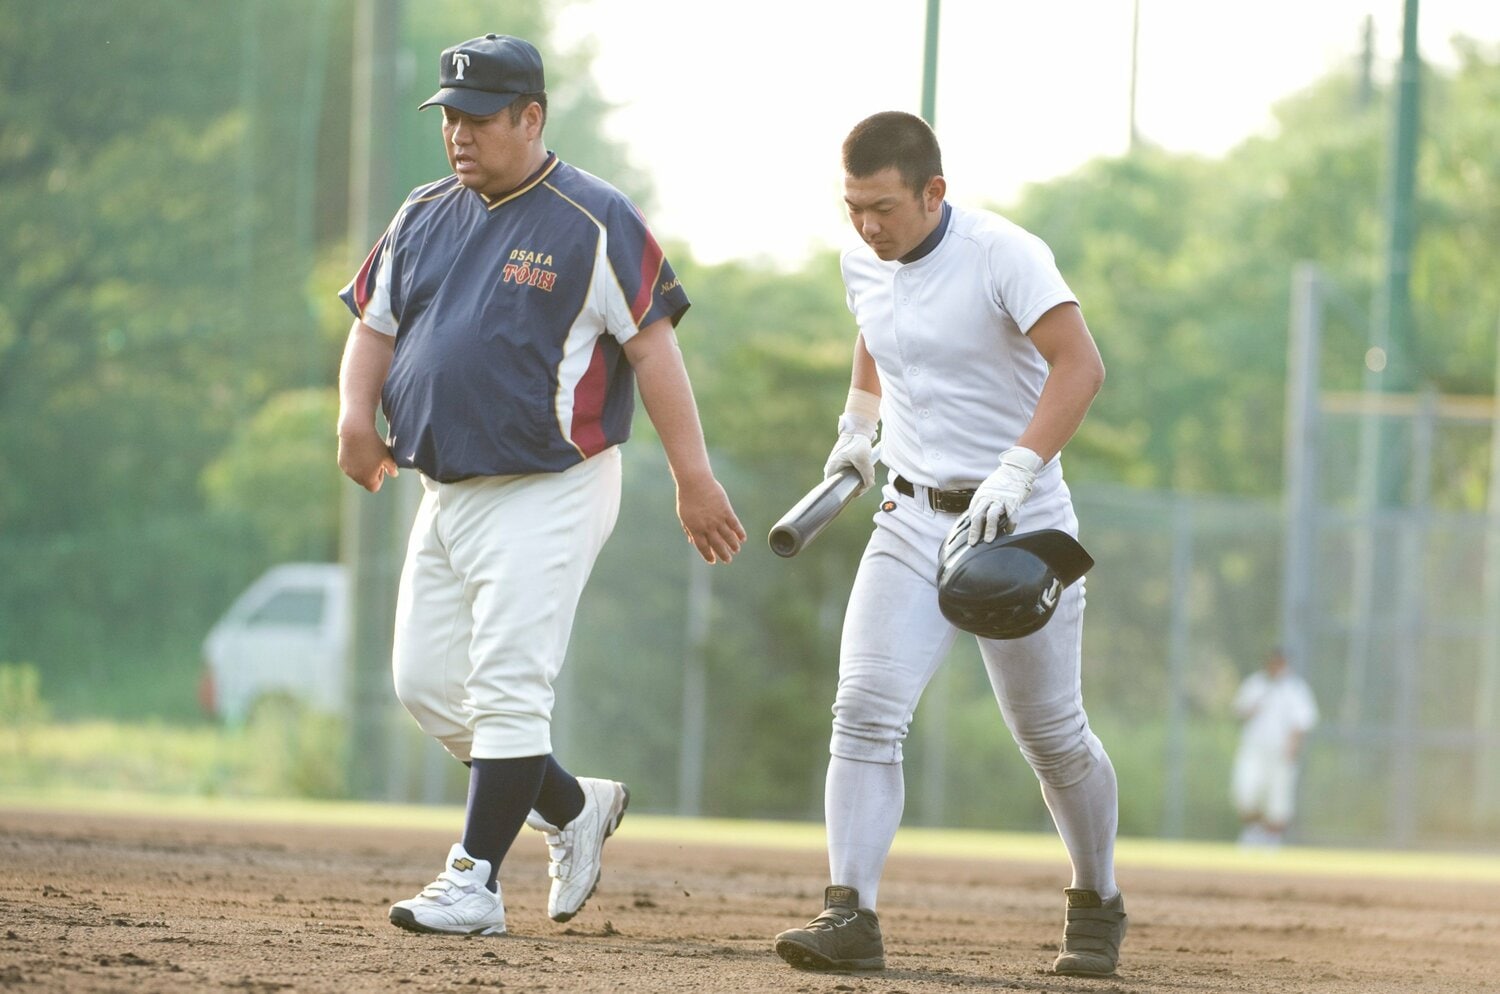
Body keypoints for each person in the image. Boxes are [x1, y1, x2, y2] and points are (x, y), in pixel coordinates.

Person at [335, 33, 744, 937]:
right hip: (445, 488)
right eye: (450, 117)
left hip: (552, 484)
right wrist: (355, 417)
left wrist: (694, 478)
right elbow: (374, 323)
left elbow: (653, 346)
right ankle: (570, 807)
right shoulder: (423, 212)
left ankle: (474, 882)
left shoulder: (592, 218)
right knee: (428, 685)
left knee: (510, 680)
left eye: (480, 118)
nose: (460, 135)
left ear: (532, 117)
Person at [772, 111, 1123, 977]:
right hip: (909, 513)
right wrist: (858, 425)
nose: (866, 225)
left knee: (1052, 737)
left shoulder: (1006, 253)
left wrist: (1014, 472)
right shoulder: (865, 257)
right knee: (863, 710)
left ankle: (1096, 896)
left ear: (935, 192)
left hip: (1018, 520)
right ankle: (848, 912)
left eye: (883, 205)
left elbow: (1081, 365)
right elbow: (878, 331)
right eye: (853, 206)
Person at [1231, 647, 1318, 848]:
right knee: (1246, 791)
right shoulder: (1255, 684)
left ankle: (1271, 840)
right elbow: (1240, 711)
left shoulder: (1295, 689)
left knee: (1278, 800)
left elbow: (1302, 721)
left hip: (1280, 753)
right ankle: (1252, 834)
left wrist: (1293, 747)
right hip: (1253, 750)